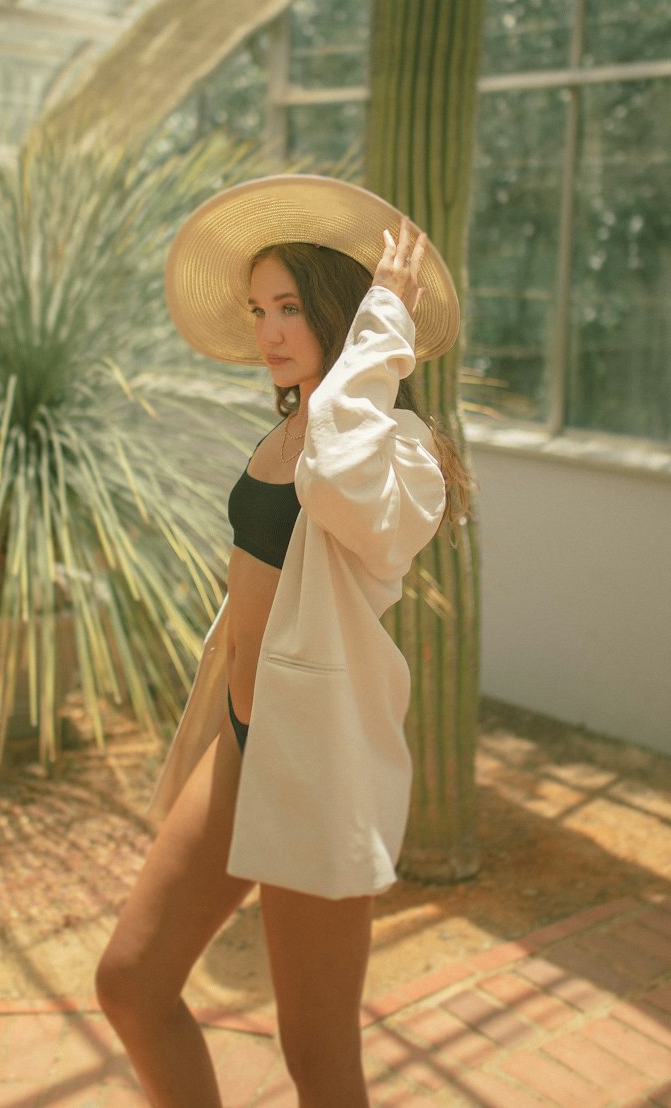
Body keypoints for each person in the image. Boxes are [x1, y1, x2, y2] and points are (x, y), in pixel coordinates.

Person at [96, 173, 468, 1108]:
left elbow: (340, 466)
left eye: (291, 307)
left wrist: (383, 321)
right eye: (258, 308)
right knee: (132, 983)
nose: (266, 332)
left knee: (318, 1057)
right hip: (242, 744)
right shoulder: (298, 421)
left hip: (316, 771)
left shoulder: (397, 449)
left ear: (342, 313)